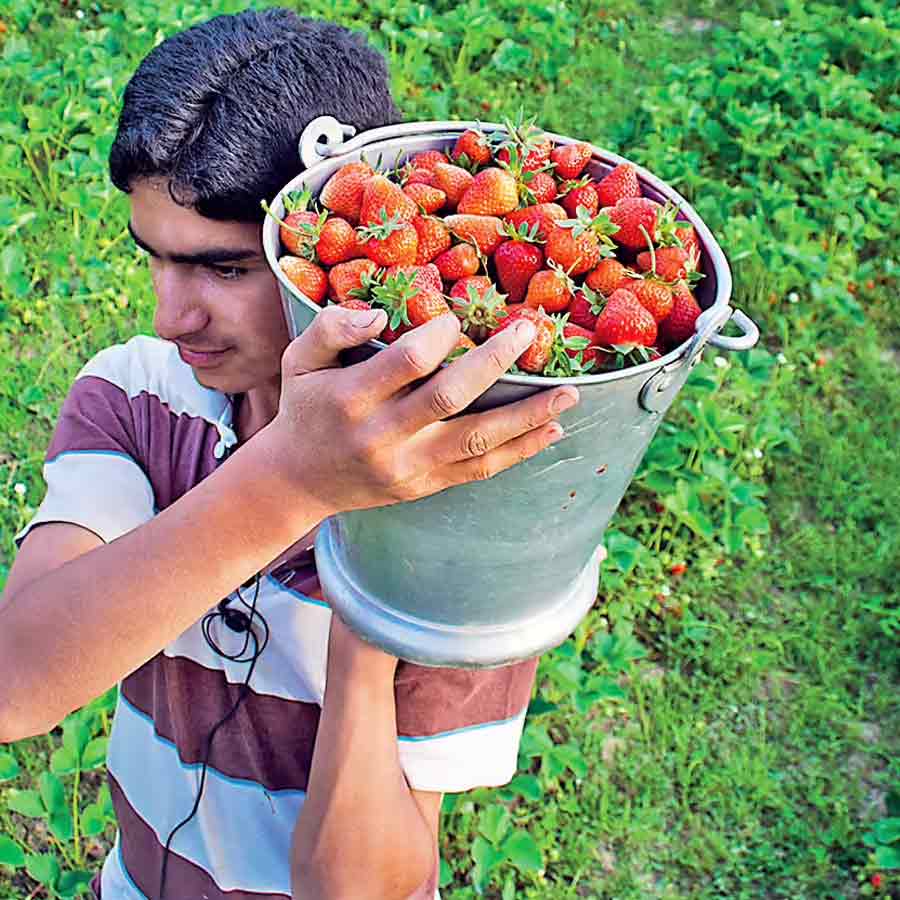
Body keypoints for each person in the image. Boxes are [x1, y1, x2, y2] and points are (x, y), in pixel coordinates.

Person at [0, 9, 583, 900]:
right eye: (154, 260)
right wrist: (289, 481)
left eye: (225, 270)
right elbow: (16, 682)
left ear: (342, 250)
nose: (170, 316)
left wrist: (373, 575)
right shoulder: (138, 396)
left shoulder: (461, 492)